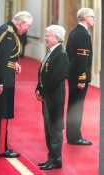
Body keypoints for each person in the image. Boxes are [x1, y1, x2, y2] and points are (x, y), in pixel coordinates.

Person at [0, 11, 33, 158]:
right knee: (2, 114)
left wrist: (13, 63)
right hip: (2, 79)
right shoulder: (9, 34)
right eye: (28, 26)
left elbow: (3, 56)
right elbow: (2, 60)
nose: (28, 29)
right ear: (21, 22)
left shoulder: (5, 28)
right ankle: (1, 149)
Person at [35, 25, 69, 170]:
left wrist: (43, 91)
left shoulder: (61, 54)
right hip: (48, 94)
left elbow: (55, 78)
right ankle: (51, 157)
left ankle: (56, 160)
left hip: (55, 95)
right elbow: (43, 72)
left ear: (57, 38)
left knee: (55, 127)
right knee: (48, 127)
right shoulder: (51, 52)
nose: (45, 38)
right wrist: (38, 87)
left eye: (48, 35)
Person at [66, 8, 95, 145]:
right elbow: (82, 59)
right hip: (79, 77)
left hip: (73, 75)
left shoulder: (74, 31)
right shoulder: (83, 34)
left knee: (73, 105)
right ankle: (75, 137)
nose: (94, 19)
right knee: (77, 106)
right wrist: (82, 79)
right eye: (92, 17)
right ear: (84, 18)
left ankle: (72, 135)